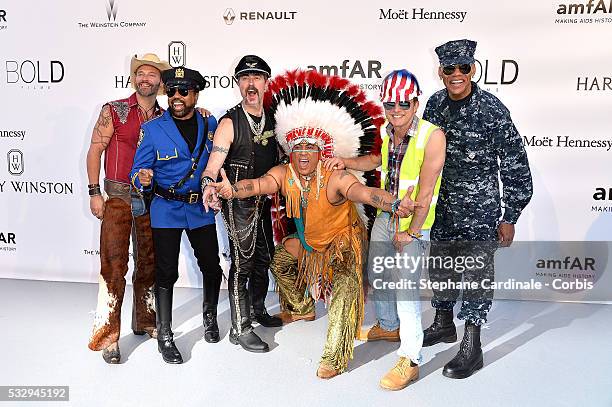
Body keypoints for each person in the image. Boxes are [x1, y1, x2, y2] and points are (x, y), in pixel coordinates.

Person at [209, 70, 417, 379]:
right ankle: (303, 306)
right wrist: (231, 190)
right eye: (298, 148)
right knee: (280, 260)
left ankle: (336, 353)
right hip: (311, 243)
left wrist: (394, 204)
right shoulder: (283, 172)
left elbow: (365, 193)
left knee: (345, 288)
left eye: (310, 149)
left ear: (322, 152)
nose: (304, 154)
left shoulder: (334, 175)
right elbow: (257, 185)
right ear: (290, 151)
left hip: (342, 242)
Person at [324, 69, 446, 390]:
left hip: (415, 221)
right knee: (377, 273)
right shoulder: (386, 129)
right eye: (390, 104)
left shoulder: (432, 136)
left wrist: (412, 232)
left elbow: (427, 190)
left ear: (415, 103)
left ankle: (411, 358)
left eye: (403, 105)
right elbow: (378, 160)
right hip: (386, 214)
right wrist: (345, 161)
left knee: (405, 287)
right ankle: (389, 326)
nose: (396, 111)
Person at [421, 39, 533, 378]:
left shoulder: (491, 109)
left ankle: (472, 344)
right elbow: (423, 157)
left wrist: (510, 215)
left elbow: (515, 163)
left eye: (464, 68)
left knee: (476, 274)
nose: (457, 75)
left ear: (473, 69)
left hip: (481, 210)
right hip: (443, 207)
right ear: (441, 72)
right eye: (450, 69)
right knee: (440, 266)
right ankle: (443, 323)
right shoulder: (434, 105)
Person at [130, 67, 223, 364]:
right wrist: (142, 178)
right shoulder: (154, 129)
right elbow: (136, 171)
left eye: (184, 91)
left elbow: (219, 159)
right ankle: (166, 333)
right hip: (166, 209)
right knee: (166, 273)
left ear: (196, 93)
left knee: (211, 264)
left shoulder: (211, 122)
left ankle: (209, 317)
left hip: (200, 208)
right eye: (171, 91)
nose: (177, 97)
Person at [86, 53, 170, 364]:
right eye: (141, 73)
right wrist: (95, 192)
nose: (146, 78)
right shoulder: (115, 110)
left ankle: (145, 320)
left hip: (152, 199)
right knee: (113, 266)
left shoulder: (166, 117)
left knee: (149, 262)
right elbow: (95, 151)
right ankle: (108, 336)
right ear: (134, 78)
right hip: (118, 197)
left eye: (152, 74)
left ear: (160, 82)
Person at [200, 55, 282, 353]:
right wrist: (209, 183)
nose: (251, 83)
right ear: (238, 84)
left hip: (264, 199)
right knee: (243, 262)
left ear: (265, 83)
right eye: (245, 78)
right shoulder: (229, 122)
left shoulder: (275, 117)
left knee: (264, 258)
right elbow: (212, 165)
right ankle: (240, 328)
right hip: (237, 200)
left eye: (257, 77)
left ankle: (257, 309)